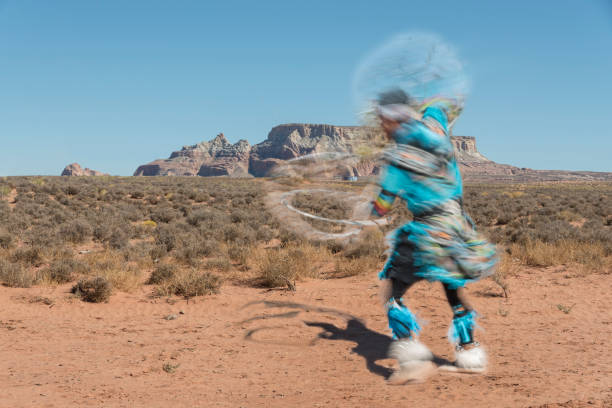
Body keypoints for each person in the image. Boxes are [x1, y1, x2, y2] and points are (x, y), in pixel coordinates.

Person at [370, 89, 497, 384]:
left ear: (392, 118)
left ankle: (412, 358)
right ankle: (470, 354)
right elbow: (445, 104)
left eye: (382, 120)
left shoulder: (400, 155)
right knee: (453, 287)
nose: (381, 127)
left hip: (427, 231)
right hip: (457, 225)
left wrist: (370, 212)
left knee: (393, 293)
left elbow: (382, 205)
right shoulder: (435, 122)